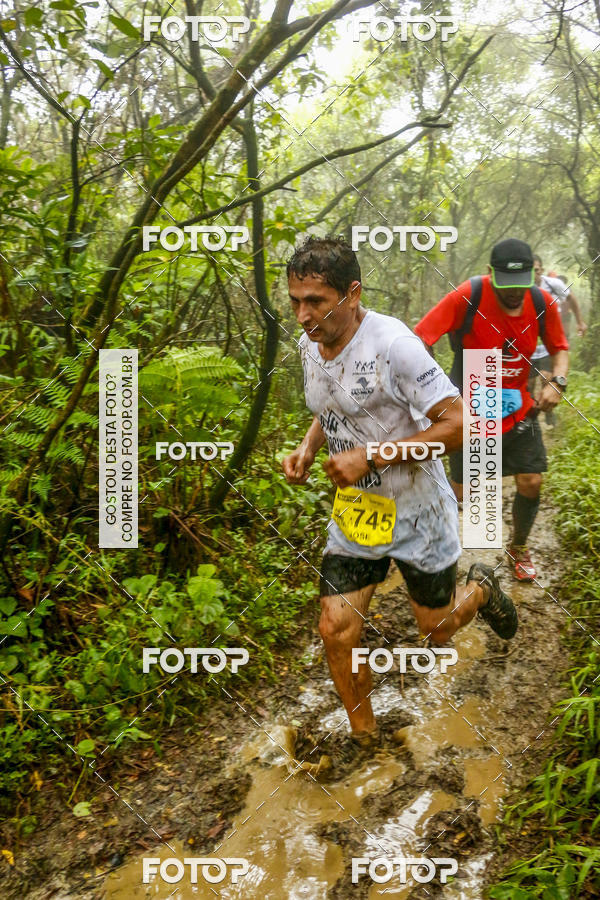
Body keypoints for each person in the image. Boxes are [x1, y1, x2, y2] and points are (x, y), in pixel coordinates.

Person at [282, 236, 517, 744]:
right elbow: (330, 408)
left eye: (315, 302)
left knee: (435, 631)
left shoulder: (395, 346)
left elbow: (460, 425)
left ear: (352, 294)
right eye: (295, 301)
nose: (302, 315)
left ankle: (480, 587)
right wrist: (307, 448)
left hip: (419, 511)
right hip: (359, 512)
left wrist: (372, 454)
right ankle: (364, 736)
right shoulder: (309, 343)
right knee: (335, 627)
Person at [414, 238, 569, 582]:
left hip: (517, 408)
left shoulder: (542, 301)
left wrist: (557, 382)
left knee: (531, 480)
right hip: (469, 410)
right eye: (506, 286)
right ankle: (433, 550)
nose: (515, 294)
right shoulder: (468, 296)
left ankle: (518, 547)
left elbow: (560, 348)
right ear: (490, 274)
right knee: (461, 491)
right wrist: (434, 391)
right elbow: (421, 338)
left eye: (521, 285)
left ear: (533, 276)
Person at [528, 256, 586, 424]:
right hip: (529, 345)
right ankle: (530, 419)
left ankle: (548, 412)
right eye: (530, 271)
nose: (533, 274)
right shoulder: (521, 288)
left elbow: (571, 298)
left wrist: (580, 321)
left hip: (549, 344)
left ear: (542, 270)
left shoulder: (553, 285)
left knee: (546, 378)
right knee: (529, 385)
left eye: (536, 270)